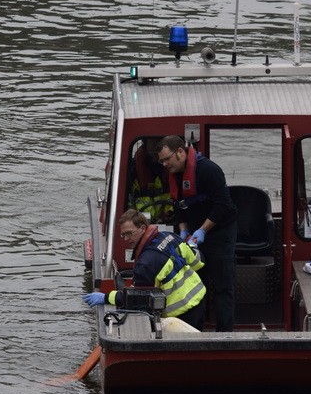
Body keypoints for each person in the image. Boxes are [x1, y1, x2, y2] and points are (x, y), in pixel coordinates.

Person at [156, 134, 237, 332]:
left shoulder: (209, 170)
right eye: (162, 161)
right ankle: (194, 330)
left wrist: (202, 230)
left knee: (222, 285)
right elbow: (178, 205)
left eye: (167, 159)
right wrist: (183, 230)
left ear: (181, 152)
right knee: (193, 285)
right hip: (192, 236)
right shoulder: (174, 174)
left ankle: (225, 334)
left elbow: (223, 205)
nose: (165, 164)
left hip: (219, 233)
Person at [82, 209, 206, 331]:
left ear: (142, 228)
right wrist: (192, 246)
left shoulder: (145, 265)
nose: (125, 239)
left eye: (129, 233)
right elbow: (198, 262)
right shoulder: (169, 237)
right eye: (123, 234)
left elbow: (137, 300)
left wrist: (106, 298)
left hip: (180, 315)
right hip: (200, 301)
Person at [129, 138, 172, 223]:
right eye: (153, 141)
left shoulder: (172, 165)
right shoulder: (134, 167)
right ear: (146, 143)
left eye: (159, 142)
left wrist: (168, 214)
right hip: (142, 216)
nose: (157, 146)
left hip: (168, 214)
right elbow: (127, 194)